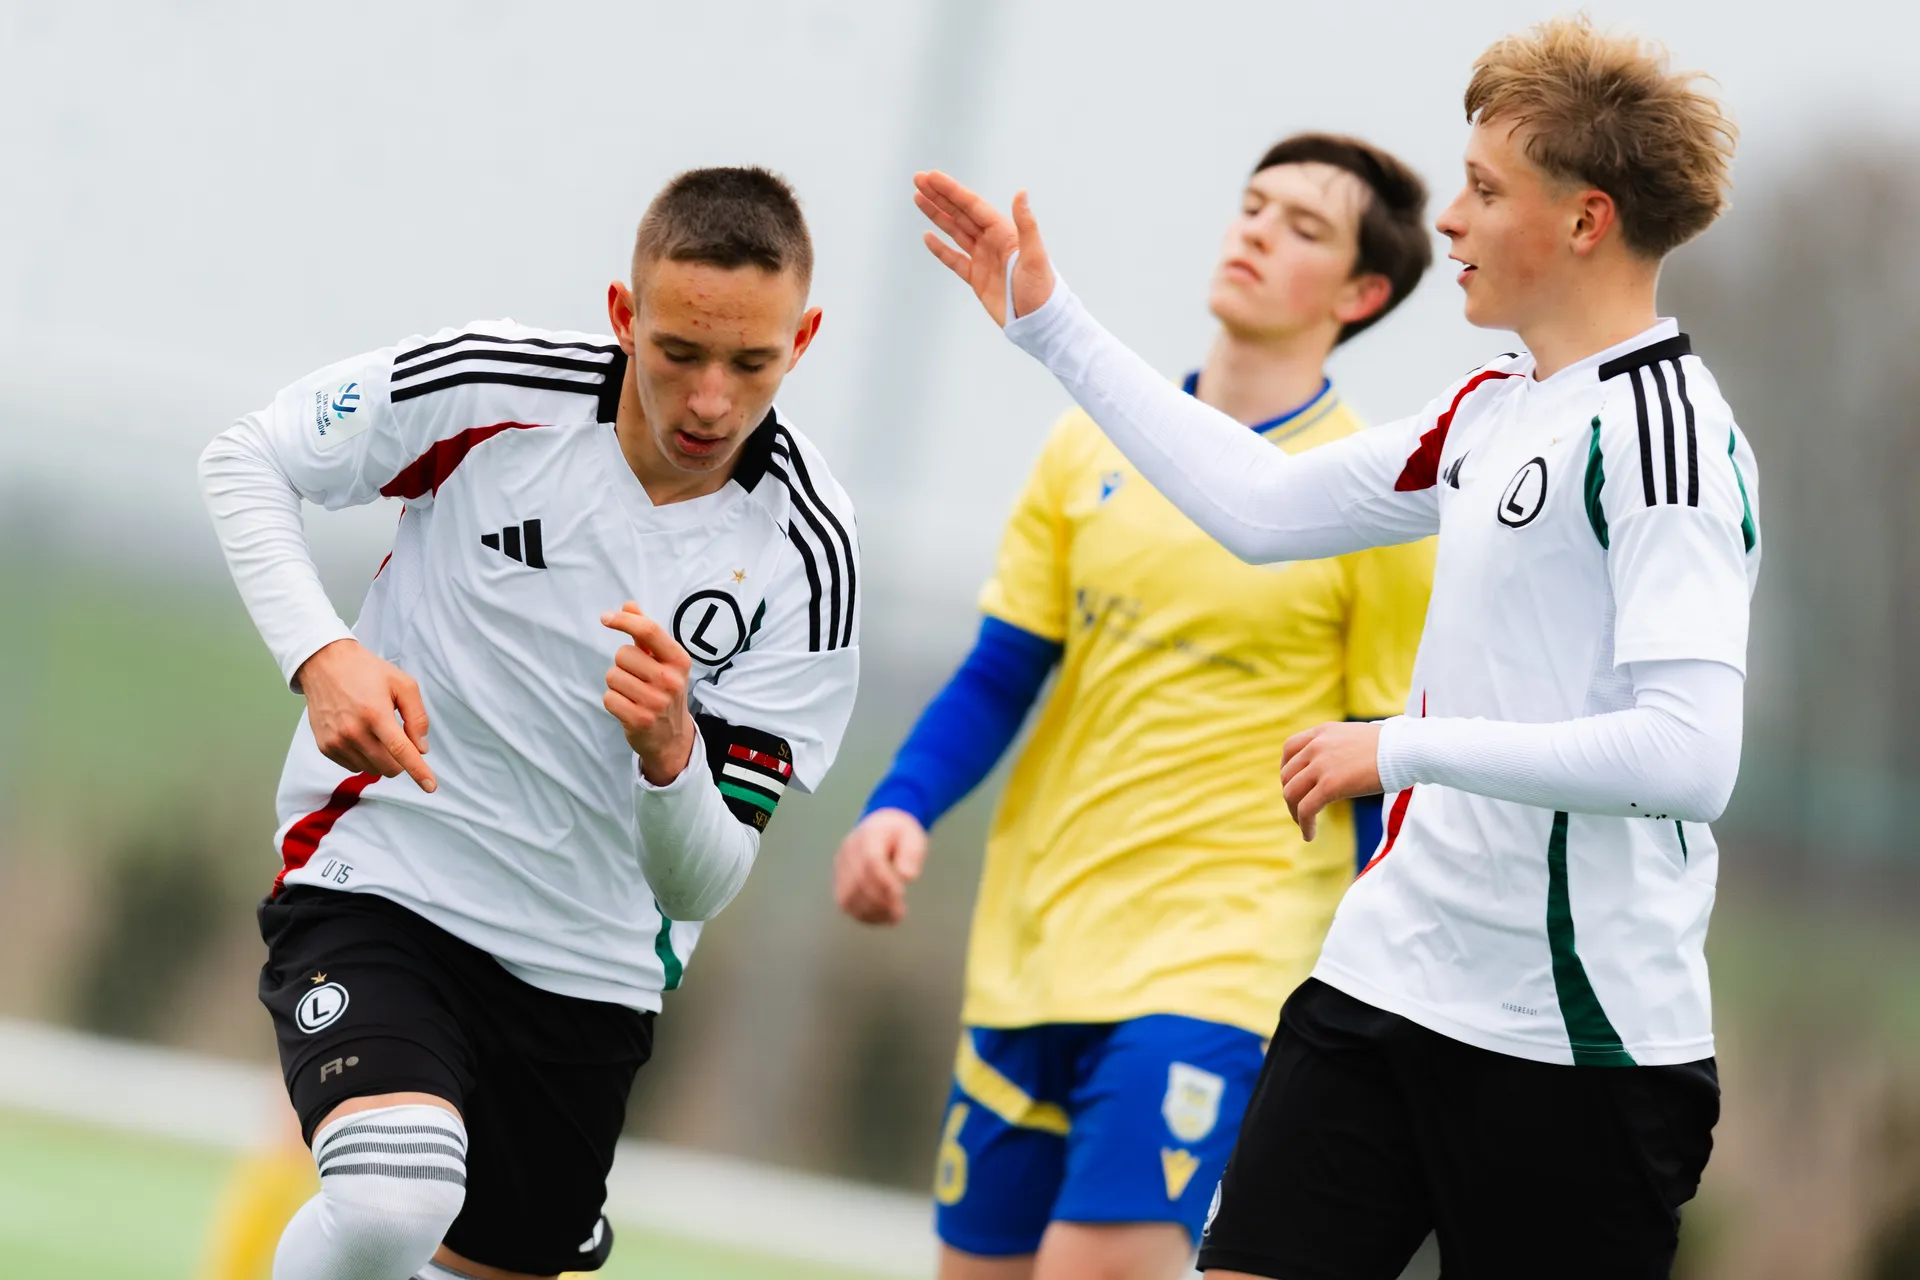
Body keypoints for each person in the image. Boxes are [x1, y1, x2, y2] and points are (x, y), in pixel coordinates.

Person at [913, 15, 1754, 1279]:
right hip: (1381, 986)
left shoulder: (1669, 438)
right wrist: (1053, 326)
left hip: (1576, 1046)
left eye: (1483, 190)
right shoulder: (1488, 405)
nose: (1453, 224)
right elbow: (1262, 505)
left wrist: (1396, 748)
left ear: (1585, 220)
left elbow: (1690, 755)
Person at [198, 166, 859, 1280]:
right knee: (386, 1195)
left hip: (589, 966)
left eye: (752, 363)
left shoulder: (808, 552)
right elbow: (248, 458)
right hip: (389, 876)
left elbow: (704, 882)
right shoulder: (493, 387)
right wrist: (326, 653)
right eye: (678, 353)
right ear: (622, 315)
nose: (710, 401)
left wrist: (671, 758)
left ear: (804, 336)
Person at [835, 134, 1434, 1280]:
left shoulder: (1370, 497)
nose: (1255, 229)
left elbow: (1382, 784)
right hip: (1034, 947)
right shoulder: (1087, 446)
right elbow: (1002, 669)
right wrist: (899, 805)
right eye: (1252, 205)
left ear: (1362, 294)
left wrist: (1372, 1014)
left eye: (1302, 224)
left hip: (1224, 964)